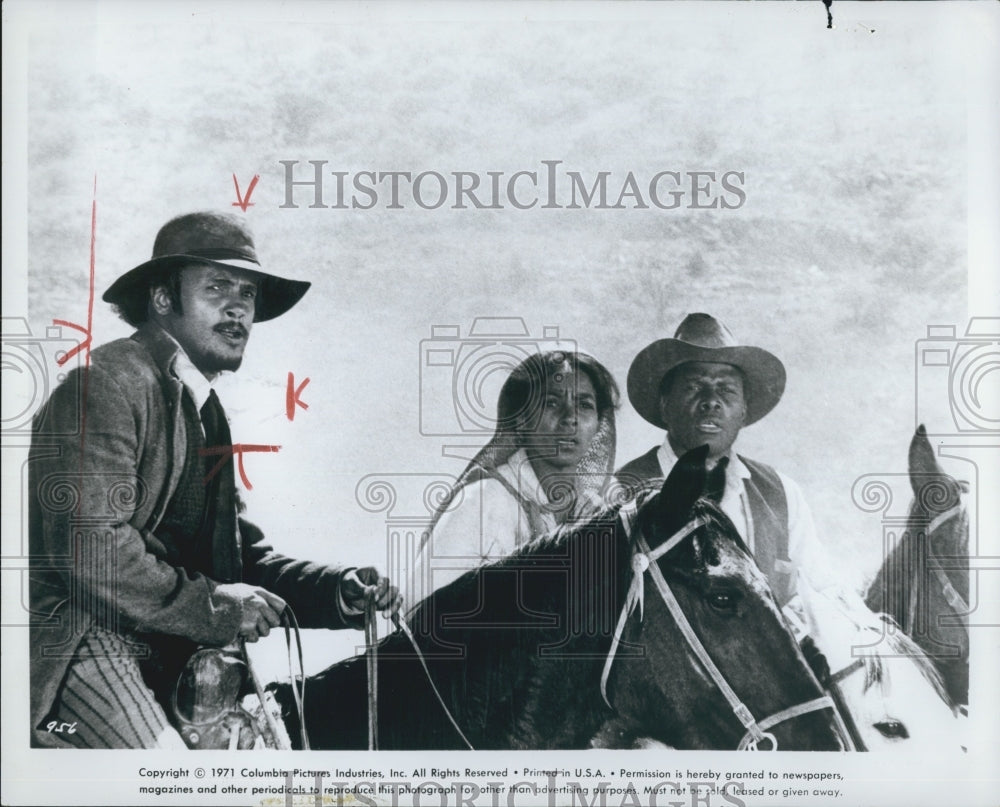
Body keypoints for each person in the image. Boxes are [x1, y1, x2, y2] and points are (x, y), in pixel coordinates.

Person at [28, 211, 400, 748]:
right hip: (82, 642)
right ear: (162, 299)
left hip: (174, 660)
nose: (237, 308)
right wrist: (219, 607)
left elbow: (235, 560)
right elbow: (93, 550)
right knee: (163, 781)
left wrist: (337, 591)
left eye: (247, 294)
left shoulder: (205, 410)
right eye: (217, 287)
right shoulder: (104, 383)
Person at [616, 313, 835, 609]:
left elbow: (823, 595)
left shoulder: (781, 496)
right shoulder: (619, 494)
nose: (711, 401)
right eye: (694, 386)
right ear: (665, 404)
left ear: (744, 409)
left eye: (726, 389)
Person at [403, 350, 620, 609]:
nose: (570, 418)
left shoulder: (596, 514)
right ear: (521, 419)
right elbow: (417, 612)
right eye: (551, 402)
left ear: (598, 425)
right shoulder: (483, 501)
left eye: (585, 405)